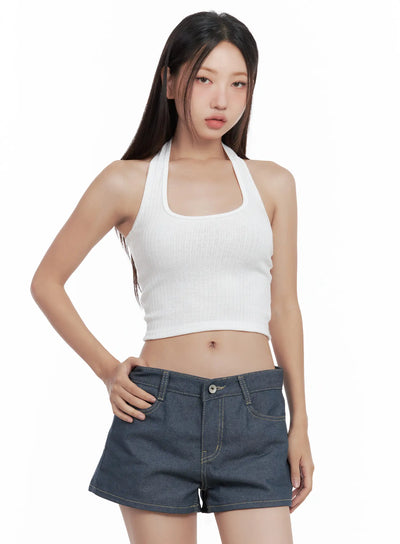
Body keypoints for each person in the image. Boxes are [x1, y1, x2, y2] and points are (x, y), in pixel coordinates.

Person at [30, 10, 314, 544]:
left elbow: (284, 308)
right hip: (158, 414)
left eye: (238, 84)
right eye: (204, 79)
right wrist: (108, 371)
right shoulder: (125, 182)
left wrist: (299, 423)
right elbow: (46, 282)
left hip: (255, 413)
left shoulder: (273, 184)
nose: (221, 100)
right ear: (169, 81)